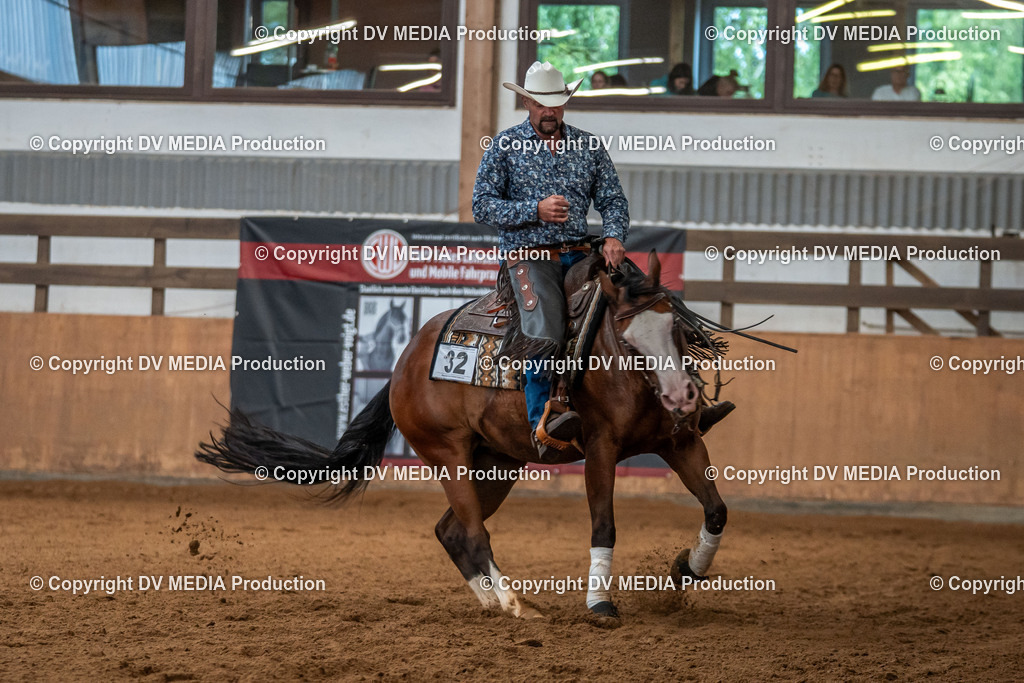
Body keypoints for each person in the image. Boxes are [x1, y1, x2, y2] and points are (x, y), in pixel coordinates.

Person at [472, 61, 628, 460]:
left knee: (637, 304)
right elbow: (482, 206)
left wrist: (613, 235)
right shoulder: (504, 147)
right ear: (526, 102)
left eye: (556, 104)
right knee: (544, 332)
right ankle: (542, 423)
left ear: (566, 103)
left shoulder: (589, 147)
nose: (549, 112)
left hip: (580, 253)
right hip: (528, 258)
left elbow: (613, 200)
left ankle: (665, 400)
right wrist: (534, 210)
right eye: (541, 104)